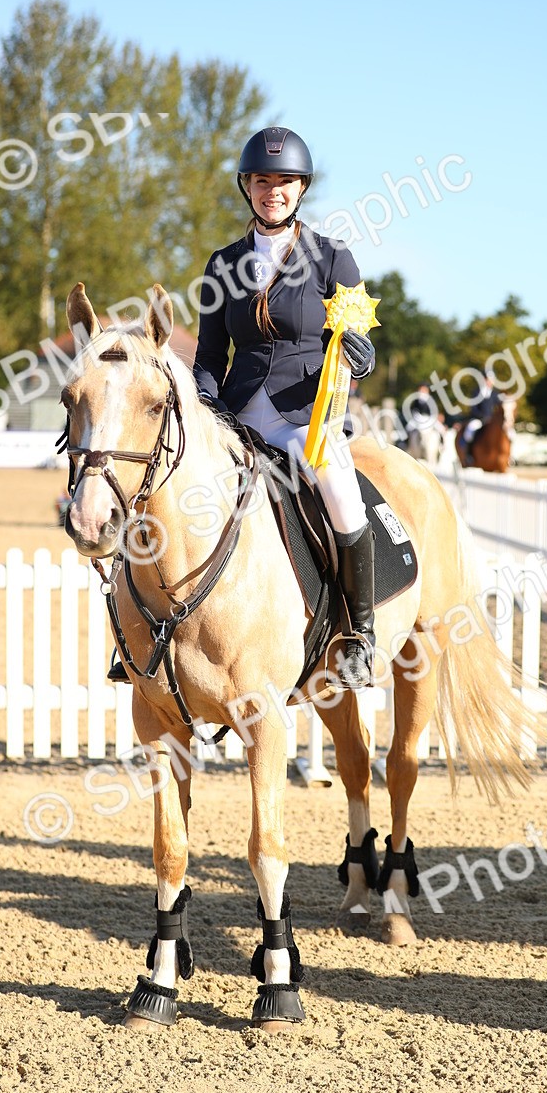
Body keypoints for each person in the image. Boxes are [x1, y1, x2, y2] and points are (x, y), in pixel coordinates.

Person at [192, 126, 377, 688]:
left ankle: (359, 634)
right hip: (238, 418)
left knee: (342, 495)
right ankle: (156, 633)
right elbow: (207, 356)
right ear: (246, 187)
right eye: (262, 180)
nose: (273, 190)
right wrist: (205, 401)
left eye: (285, 181)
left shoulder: (332, 260)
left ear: (302, 189)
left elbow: (353, 340)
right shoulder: (222, 265)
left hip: (307, 416)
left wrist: (361, 356)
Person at [460, 371, 501, 462]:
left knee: (509, 433)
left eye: (490, 380)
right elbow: (473, 408)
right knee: (470, 430)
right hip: (479, 419)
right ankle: (469, 455)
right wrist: (482, 416)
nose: (489, 382)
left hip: (491, 421)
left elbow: (499, 408)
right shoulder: (476, 392)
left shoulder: (495, 394)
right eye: (487, 380)